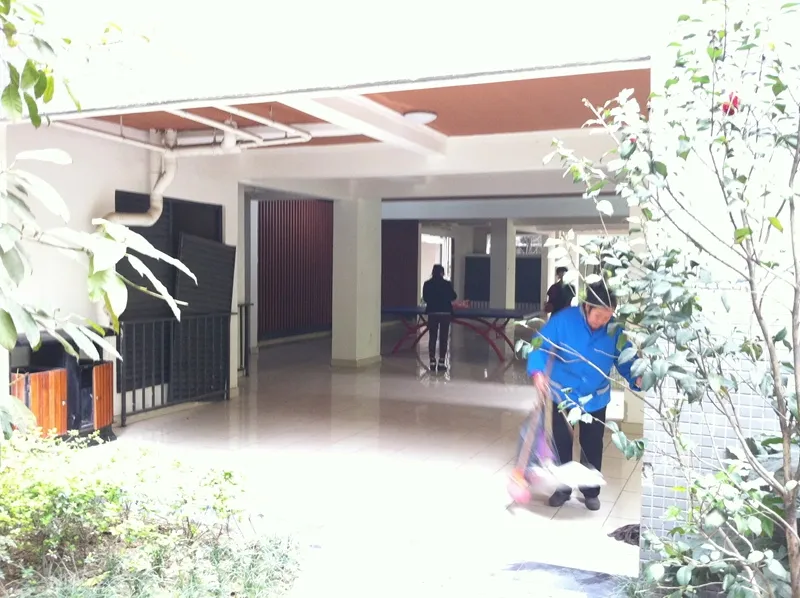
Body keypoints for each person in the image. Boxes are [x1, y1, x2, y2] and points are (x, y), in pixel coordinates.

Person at [525, 282, 640, 511]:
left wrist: (637, 376)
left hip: (595, 397)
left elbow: (625, 358)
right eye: (598, 316)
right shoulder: (563, 320)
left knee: (592, 444)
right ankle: (563, 489)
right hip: (562, 394)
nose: (602, 322)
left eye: (607, 317)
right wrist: (537, 372)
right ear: (586, 306)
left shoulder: (614, 329)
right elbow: (539, 346)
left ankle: (590, 491)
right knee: (562, 442)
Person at [422, 264, 457, 373]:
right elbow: (454, 296)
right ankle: (441, 362)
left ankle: (432, 361)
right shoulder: (447, 284)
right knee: (443, 338)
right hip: (445, 313)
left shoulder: (427, 284)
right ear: (442, 273)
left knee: (432, 337)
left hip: (432, 312)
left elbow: (425, 298)